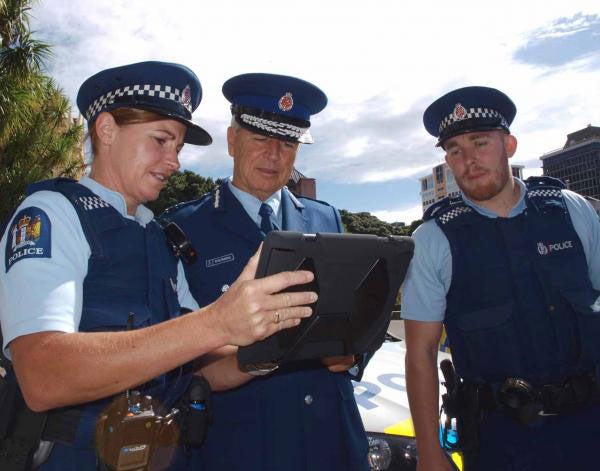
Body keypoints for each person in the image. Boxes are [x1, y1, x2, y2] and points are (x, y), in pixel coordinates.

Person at [0, 62, 318, 470]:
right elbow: (43, 375)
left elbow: (202, 367)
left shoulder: (161, 237)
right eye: (161, 141)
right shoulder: (52, 215)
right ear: (107, 129)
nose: (174, 162)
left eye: (179, 148)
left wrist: (278, 338)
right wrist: (216, 322)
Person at [163, 73, 370, 470]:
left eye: (288, 142)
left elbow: (358, 315)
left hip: (330, 439)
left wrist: (353, 355)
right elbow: (175, 353)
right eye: (260, 139)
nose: (274, 155)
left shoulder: (326, 218)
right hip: (239, 445)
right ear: (231, 140)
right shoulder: (182, 228)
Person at [403, 86, 600, 470]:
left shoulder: (570, 210)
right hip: (498, 439)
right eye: (455, 151)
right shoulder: (433, 239)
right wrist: (430, 451)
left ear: (508, 144)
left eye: (480, 143)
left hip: (590, 421)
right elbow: (421, 353)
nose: (468, 160)